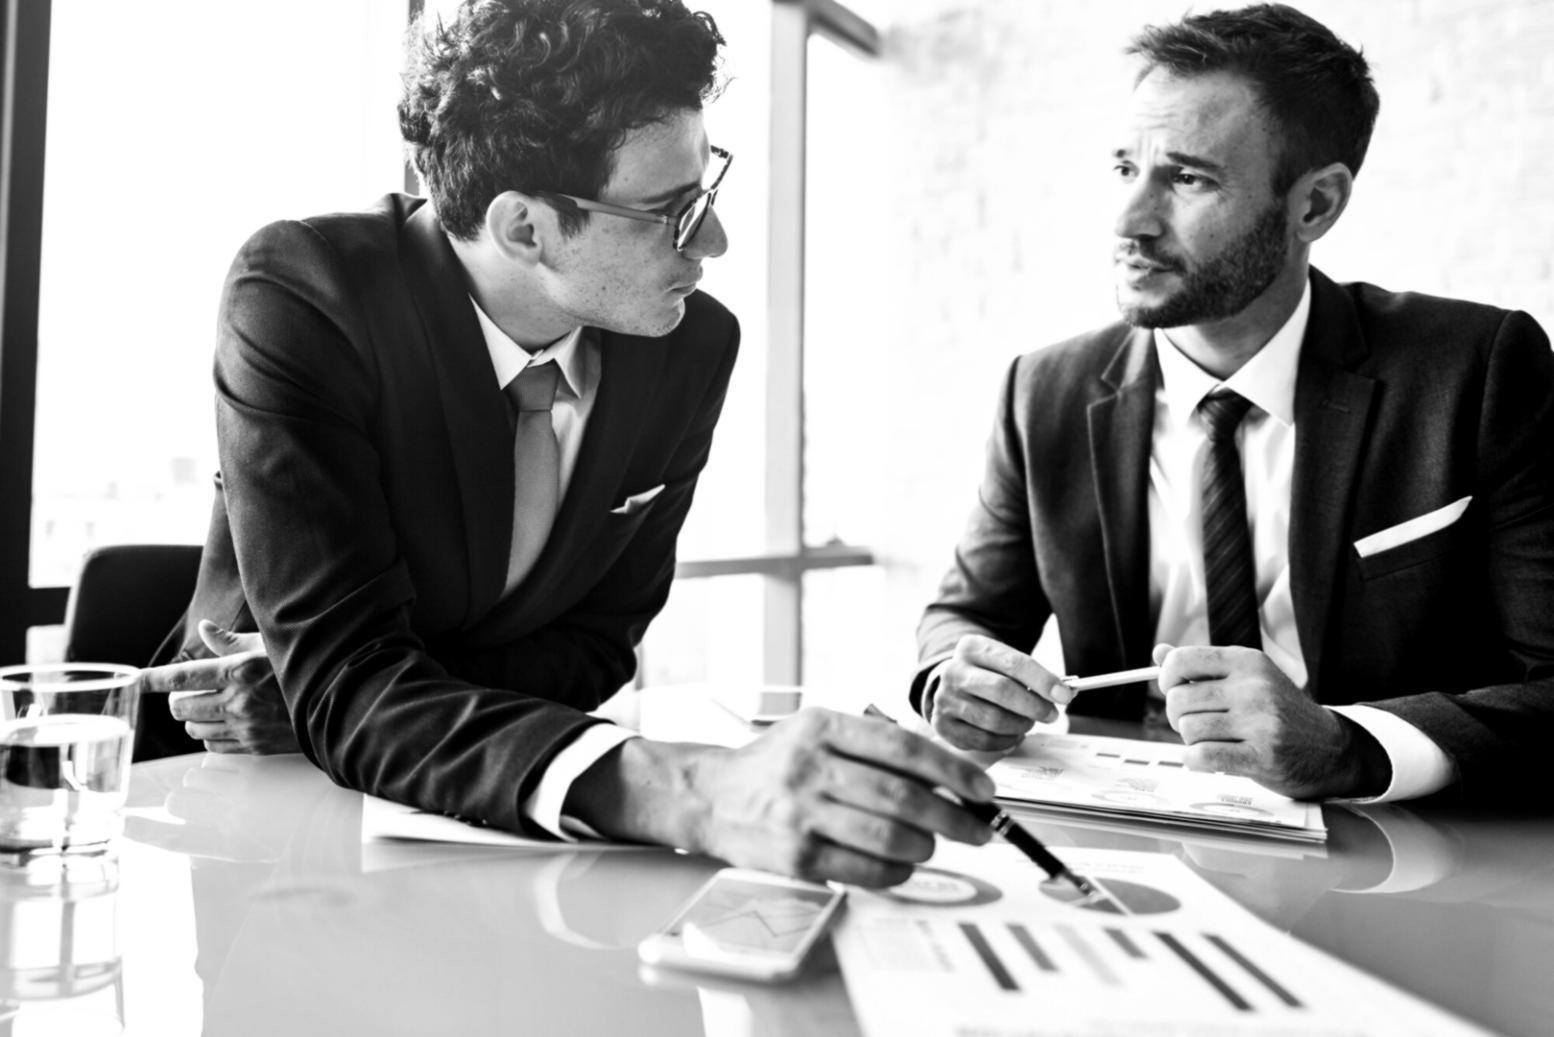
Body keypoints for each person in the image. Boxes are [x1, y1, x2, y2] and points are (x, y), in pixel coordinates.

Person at [140, 0, 997, 888]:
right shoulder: (307, 294)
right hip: (245, 819)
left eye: (706, 190)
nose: (714, 240)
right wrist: (693, 791)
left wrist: (388, 703)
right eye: (672, 209)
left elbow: (597, 643)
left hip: (497, 831)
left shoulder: (692, 345)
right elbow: (351, 682)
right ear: (525, 228)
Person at [915, 3, 1554, 803]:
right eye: (1124, 168)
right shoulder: (1042, 390)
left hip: (1393, 853)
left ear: (1314, 205)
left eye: (1187, 177)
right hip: (1129, 845)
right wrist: (956, 678)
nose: (1128, 220)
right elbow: (961, 620)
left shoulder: (1479, 370)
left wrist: (1353, 746)